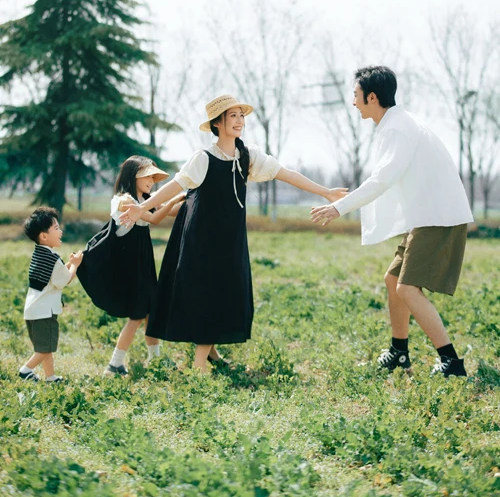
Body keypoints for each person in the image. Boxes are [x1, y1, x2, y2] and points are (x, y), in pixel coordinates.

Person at [120, 94, 348, 373]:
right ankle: (200, 363)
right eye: (233, 116)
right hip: (201, 237)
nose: (240, 121)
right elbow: (175, 186)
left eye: (242, 115)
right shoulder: (203, 158)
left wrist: (324, 192)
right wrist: (142, 207)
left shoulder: (248, 156)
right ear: (217, 123)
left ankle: (211, 352)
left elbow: (285, 173)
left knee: (225, 289)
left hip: (230, 237)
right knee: (207, 291)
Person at [311, 66, 473, 378]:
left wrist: (338, 208)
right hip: (427, 216)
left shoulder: (398, 128)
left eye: (356, 96)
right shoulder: (396, 124)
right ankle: (399, 353)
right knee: (393, 281)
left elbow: (381, 180)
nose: (353, 101)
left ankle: (451, 363)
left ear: (372, 97)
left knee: (408, 288)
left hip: (437, 217)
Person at [77, 156, 185, 377]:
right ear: (133, 175)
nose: (152, 181)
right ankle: (114, 364)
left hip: (142, 263)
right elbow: (155, 219)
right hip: (129, 265)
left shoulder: (142, 198)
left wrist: (189, 199)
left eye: (154, 177)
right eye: (148, 176)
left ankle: (155, 359)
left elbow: (167, 211)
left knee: (149, 312)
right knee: (137, 315)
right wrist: (173, 201)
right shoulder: (125, 200)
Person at [20, 207, 83, 382]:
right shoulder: (53, 259)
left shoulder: (39, 254)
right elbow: (63, 280)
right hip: (44, 313)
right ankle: (26, 370)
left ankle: (50, 377)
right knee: (45, 348)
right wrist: (75, 264)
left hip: (32, 311)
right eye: (56, 228)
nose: (60, 231)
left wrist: (69, 264)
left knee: (44, 347)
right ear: (44, 236)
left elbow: (56, 277)